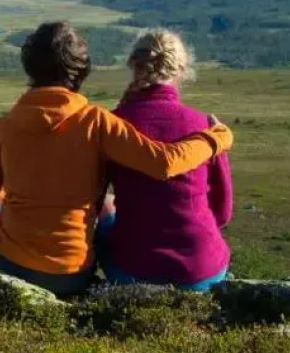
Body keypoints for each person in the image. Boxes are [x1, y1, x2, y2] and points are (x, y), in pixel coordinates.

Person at [0, 21, 234, 296]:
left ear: (29, 67)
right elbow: (166, 165)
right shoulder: (99, 123)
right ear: (83, 69)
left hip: (12, 265)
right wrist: (216, 138)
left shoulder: (4, 127)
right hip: (74, 274)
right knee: (104, 205)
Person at [98, 30, 233, 291]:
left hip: (132, 270)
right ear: (181, 70)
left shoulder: (112, 124)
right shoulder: (207, 127)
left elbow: (92, 197)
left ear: (134, 65)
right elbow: (223, 212)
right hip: (202, 271)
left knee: (105, 207)